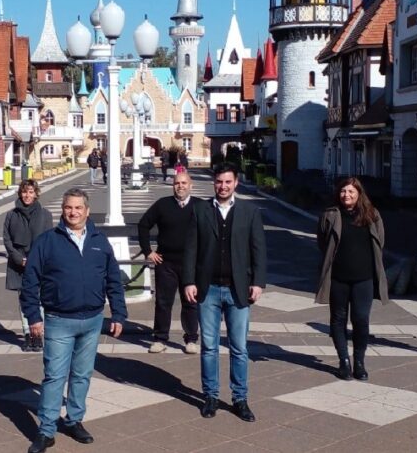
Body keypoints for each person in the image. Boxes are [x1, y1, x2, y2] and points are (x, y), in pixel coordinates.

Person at [21, 188, 127, 453]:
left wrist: (118, 313)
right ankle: (46, 430)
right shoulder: (47, 241)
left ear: (87, 211)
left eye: (79, 208)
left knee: (82, 374)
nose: (73, 212)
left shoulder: (99, 241)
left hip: (92, 320)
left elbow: (113, 279)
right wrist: (34, 316)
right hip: (58, 320)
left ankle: (75, 419)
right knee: (55, 377)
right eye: (69, 207)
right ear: (63, 210)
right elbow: (30, 281)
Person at [183, 163, 266, 422]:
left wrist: (258, 282)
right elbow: (191, 249)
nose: (223, 186)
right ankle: (210, 396)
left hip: (238, 289)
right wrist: (189, 281)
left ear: (235, 183)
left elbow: (258, 250)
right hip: (208, 289)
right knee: (209, 347)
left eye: (227, 182)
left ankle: (240, 398)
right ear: (214, 183)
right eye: (219, 182)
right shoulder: (200, 210)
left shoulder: (250, 212)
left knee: (239, 348)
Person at [316, 177, 388, 381]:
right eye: (343, 191)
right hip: (338, 278)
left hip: (363, 279)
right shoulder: (330, 214)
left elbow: (380, 241)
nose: (346, 195)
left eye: (351, 192)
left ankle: (359, 362)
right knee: (338, 320)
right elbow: (322, 242)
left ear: (359, 194)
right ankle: (344, 362)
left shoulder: (372, 215)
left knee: (361, 320)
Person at [138, 172, 201, 354]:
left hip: (191, 264)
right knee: (163, 302)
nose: (180, 186)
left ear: (191, 185)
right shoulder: (162, 205)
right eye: (176, 183)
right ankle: (160, 338)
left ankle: (191, 339)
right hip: (165, 262)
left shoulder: (201, 206)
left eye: (183, 183)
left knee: (190, 301)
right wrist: (148, 251)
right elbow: (143, 225)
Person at [3, 180, 53, 351]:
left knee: (39, 298)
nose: (27, 195)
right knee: (23, 298)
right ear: (20, 193)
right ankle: (27, 333)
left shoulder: (45, 214)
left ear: (36, 194)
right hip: (18, 263)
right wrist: (18, 258)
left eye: (31, 192)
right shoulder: (11, 215)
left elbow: (48, 240)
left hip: (39, 263)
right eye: (25, 192)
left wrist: (34, 260)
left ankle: (38, 333)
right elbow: (7, 239)